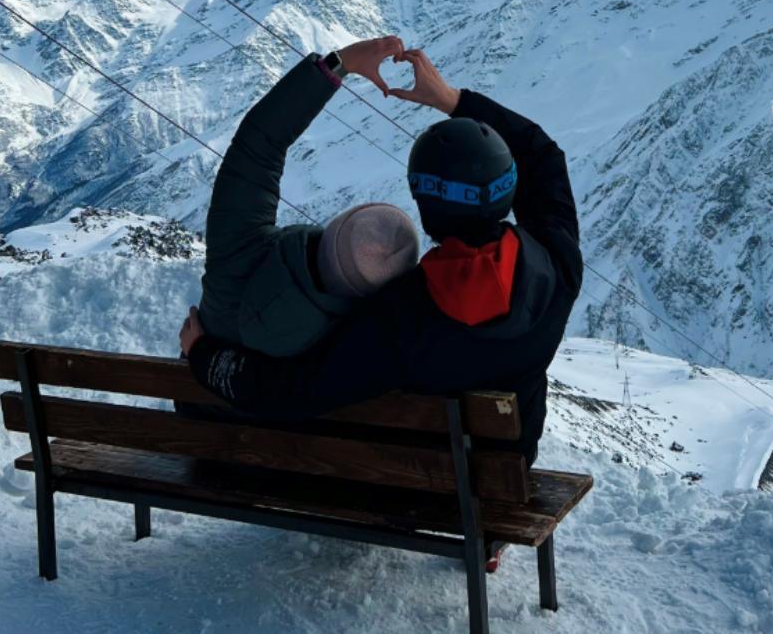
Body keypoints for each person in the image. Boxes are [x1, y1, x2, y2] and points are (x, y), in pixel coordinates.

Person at [180, 47, 582, 466]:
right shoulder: (558, 263)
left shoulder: (402, 314)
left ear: (426, 207)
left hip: (409, 487)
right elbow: (543, 158)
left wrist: (204, 354)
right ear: (509, 188)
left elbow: (294, 391)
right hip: (487, 486)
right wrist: (452, 99)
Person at [197, 36, 420, 358]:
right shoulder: (353, 352)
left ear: (334, 229)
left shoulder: (239, 251)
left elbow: (259, 144)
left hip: (193, 401)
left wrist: (340, 64)